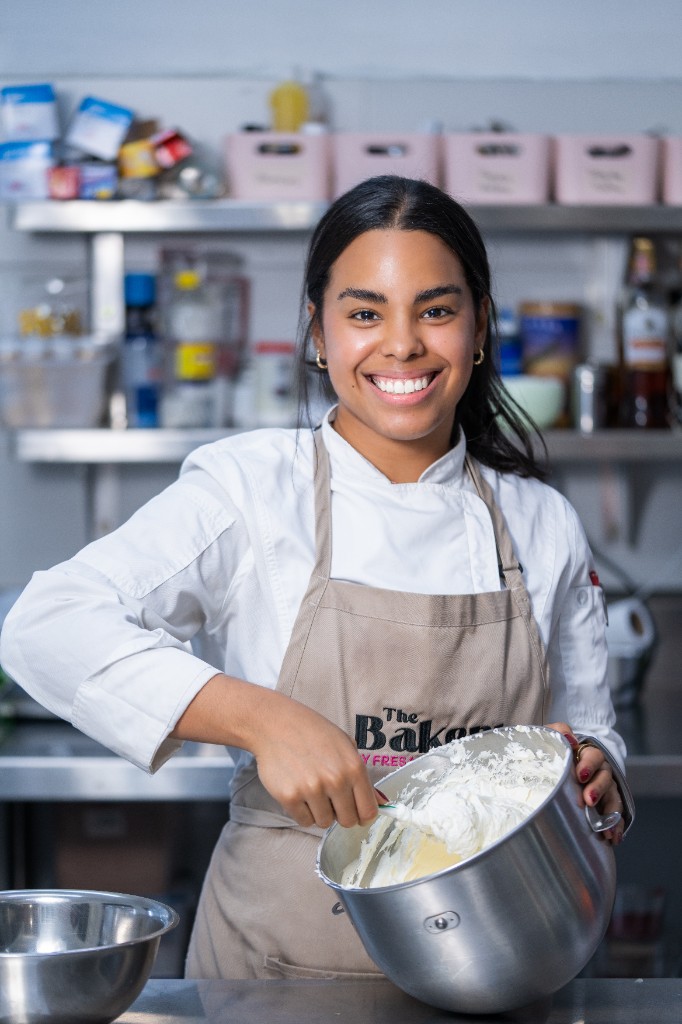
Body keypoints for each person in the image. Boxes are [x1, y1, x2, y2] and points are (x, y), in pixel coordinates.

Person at [0, 174, 629, 981]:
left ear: (478, 327)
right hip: (273, 970)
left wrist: (598, 771)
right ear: (319, 333)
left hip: (492, 963)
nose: (401, 345)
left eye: (435, 311)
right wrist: (262, 720)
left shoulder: (542, 522)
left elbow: (586, 731)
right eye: (365, 314)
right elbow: (46, 624)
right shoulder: (250, 489)